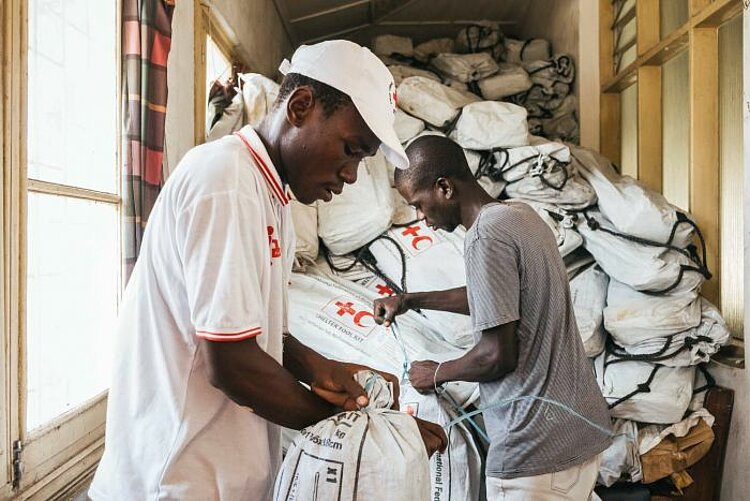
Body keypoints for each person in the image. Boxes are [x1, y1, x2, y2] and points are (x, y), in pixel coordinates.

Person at [89, 41, 447, 501]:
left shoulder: (271, 197)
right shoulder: (225, 181)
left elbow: (254, 334)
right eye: (351, 150)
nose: (352, 175)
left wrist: (323, 367)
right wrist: (371, 437)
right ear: (300, 107)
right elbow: (233, 365)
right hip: (173, 482)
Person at [373, 135, 612, 500]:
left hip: (535, 452)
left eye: (419, 205)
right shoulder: (519, 215)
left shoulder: (485, 236)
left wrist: (436, 373)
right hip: (578, 433)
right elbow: (494, 297)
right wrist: (411, 300)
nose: (422, 220)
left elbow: (497, 355)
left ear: (444, 188)